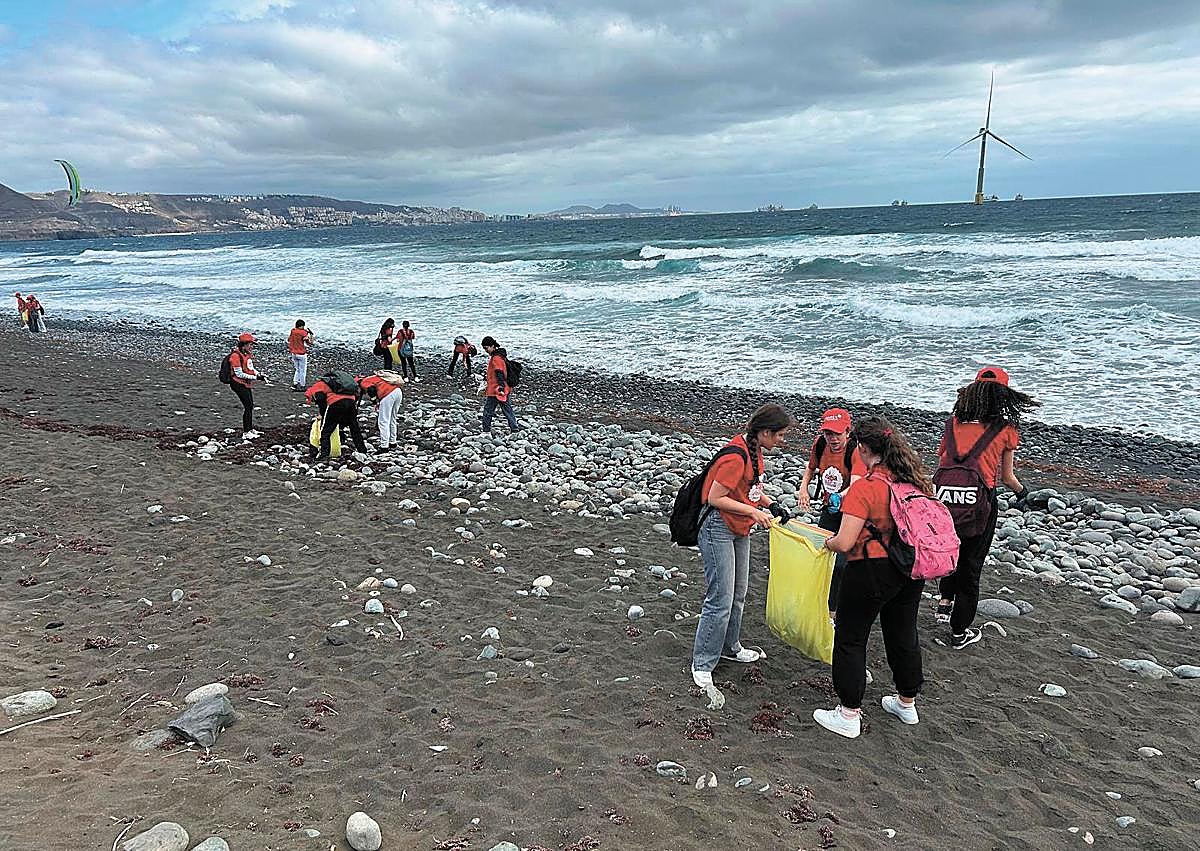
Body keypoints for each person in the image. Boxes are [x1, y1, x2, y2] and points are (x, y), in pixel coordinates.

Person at [814, 416, 931, 739]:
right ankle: (906, 702)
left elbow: (845, 541)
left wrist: (827, 542)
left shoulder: (866, 488)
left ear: (863, 449)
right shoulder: (913, 481)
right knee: (903, 632)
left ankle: (848, 713)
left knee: (851, 638)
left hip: (870, 568)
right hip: (909, 568)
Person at [690, 403, 793, 692]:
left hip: (738, 528)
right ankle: (702, 662)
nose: (782, 441)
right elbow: (714, 497)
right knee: (720, 597)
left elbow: (750, 490)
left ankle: (730, 647)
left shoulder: (754, 451)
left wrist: (771, 504)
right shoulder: (736, 456)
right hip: (717, 528)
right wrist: (752, 513)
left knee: (738, 593)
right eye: (780, 436)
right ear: (764, 432)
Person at [934, 366, 1038, 649]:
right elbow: (1007, 477)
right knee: (971, 566)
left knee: (950, 551)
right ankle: (958, 632)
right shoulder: (1006, 429)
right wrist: (1023, 494)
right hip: (980, 503)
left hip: (944, 500)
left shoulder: (953, 422)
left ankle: (944, 602)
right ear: (1004, 395)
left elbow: (944, 460)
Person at [799, 408, 867, 623]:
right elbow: (810, 469)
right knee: (821, 554)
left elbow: (857, 484)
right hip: (829, 509)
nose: (833, 439)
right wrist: (803, 490)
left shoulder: (855, 451)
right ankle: (820, 600)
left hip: (851, 511)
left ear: (848, 431)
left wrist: (840, 496)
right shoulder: (820, 445)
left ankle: (833, 611)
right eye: (829, 433)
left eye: (837, 434)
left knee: (841, 563)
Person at [316, 376, 367, 461]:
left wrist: (322, 413)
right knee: (354, 428)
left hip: (336, 403)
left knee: (326, 430)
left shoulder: (318, 386)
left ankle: (324, 454)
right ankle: (362, 449)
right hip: (351, 402)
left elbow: (320, 399)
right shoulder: (344, 384)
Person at [229, 333, 267, 438]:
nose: (252, 346)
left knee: (250, 406)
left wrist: (259, 374)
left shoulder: (247, 354)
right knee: (248, 406)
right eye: (250, 344)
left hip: (245, 383)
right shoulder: (235, 356)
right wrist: (256, 378)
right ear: (243, 345)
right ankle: (247, 432)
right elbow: (239, 374)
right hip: (237, 384)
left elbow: (251, 368)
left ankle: (250, 429)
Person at [480, 336, 519, 433]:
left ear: (492, 346)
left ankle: (486, 430)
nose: (486, 351)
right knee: (507, 410)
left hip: (496, 389)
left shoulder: (496, 358)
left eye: (486, 348)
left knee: (488, 411)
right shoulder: (500, 356)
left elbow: (499, 372)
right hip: (503, 388)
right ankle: (514, 428)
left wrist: (500, 386)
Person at [358, 372, 405, 452]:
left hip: (388, 394)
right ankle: (392, 442)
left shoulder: (364, 382)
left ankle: (384, 446)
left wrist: (375, 402)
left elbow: (371, 390)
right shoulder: (375, 378)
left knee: (383, 421)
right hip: (398, 391)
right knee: (392, 419)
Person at [287, 320, 314, 392]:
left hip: (293, 353)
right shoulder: (303, 333)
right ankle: (302, 385)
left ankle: (295, 383)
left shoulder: (293, 331)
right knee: (302, 370)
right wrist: (311, 335)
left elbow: (289, 339)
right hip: (301, 353)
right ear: (302, 326)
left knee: (297, 369)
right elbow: (310, 343)